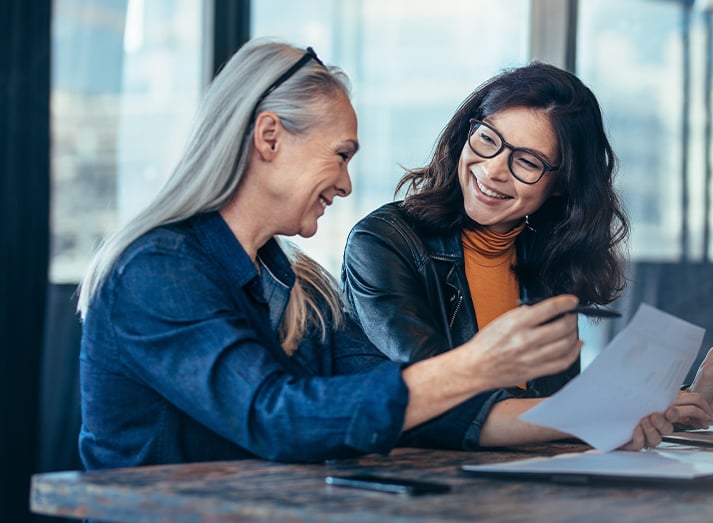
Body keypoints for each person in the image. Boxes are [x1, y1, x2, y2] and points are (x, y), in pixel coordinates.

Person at [76, 41, 672, 470]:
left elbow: (411, 405)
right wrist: (473, 366)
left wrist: (609, 418)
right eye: (340, 154)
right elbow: (274, 417)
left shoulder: (291, 279)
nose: (346, 184)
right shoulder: (158, 269)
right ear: (268, 138)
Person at [341, 62, 713, 447]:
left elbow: (555, 410)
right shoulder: (384, 241)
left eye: (528, 161)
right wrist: (606, 415)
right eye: (487, 139)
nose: (493, 169)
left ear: (560, 185)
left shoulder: (548, 259)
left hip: (522, 485)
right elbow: (440, 399)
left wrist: (681, 402)